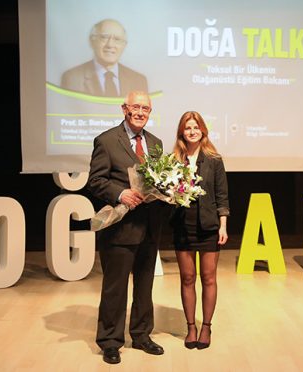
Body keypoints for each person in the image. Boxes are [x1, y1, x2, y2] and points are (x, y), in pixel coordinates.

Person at [87, 91, 163, 364]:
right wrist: (121, 194)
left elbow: (158, 180)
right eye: (136, 107)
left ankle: (142, 335)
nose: (141, 112)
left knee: (144, 286)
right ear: (124, 109)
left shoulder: (155, 143)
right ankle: (110, 341)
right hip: (119, 228)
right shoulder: (106, 141)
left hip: (150, 227)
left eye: (146, 108)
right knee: (115, 288)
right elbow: (96, 181)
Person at [170, 111, 230, 350]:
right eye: (187, 128)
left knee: (208, 278)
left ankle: (206, 326)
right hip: (182, 225)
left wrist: (223, 225)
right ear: (181, 132)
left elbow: (222, 195)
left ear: (203, 130)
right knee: (187, 278)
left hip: (208, 227)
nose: (192, 131)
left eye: (195, 127)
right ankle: (190, 328)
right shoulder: (173, 159)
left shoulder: (214, 159)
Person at [60, 19, 148, 97]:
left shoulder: (138, 80)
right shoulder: (73, 78)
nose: (110, 45)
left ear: (124, 45)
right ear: (92, 41)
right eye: (104, 38)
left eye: (117, 39)